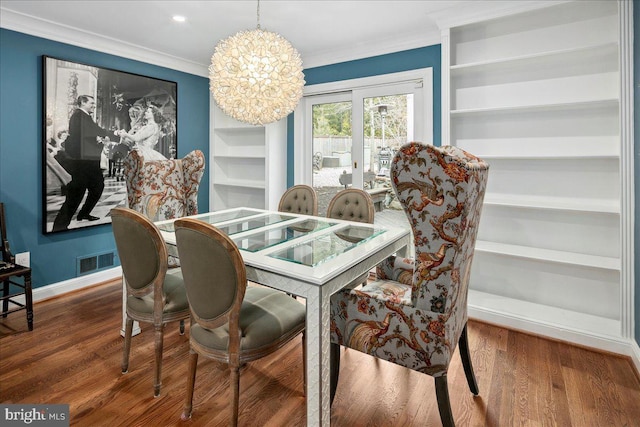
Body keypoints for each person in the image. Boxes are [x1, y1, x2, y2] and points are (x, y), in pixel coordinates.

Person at [52, 95, 117, 232]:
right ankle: (59, 227)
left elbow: (89, 135)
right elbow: (93, 132)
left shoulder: (83, 116)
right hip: (82, 164)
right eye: (91, 103)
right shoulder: (79, 116)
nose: (94, 105)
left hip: (88, 162)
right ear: (83, 103)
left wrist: (98, 142)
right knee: (76, 194)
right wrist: (115, 135)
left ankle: (82, 214)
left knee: (96, 187)